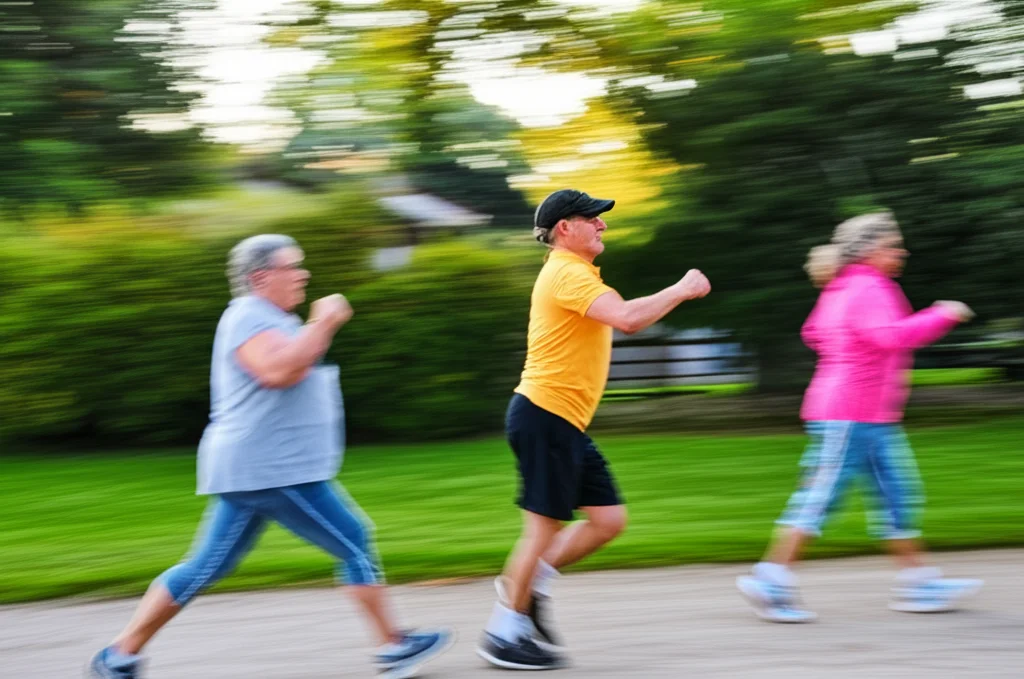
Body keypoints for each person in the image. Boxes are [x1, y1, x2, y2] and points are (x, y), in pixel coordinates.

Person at [88, 234, 452, 679]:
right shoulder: (246, 316)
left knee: (206, 566)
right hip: (271, 468)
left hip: (260, 467)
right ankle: (392, 645)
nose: (303, 274)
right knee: (353, 539)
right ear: (261, 277)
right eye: (293, 267)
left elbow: (291, 365)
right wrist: (324, 323)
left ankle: (119, 656)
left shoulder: (267, 319)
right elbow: (277, 371)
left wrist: (312, 328)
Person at [477, 190, 711, 669]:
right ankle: (503, 630)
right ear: (565, 228)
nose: (602, 225)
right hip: (545, 415)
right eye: (593, 219)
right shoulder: (566, 272)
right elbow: (626, 318)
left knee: (608, 520)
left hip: (562, 421)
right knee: (542, 530)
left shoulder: (575, 273)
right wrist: (682, 288)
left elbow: (619, 313)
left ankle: (529, 584)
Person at [737, 212, 983, 623]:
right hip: (849, 414)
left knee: (897, 493)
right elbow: (892, 336)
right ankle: (772, 579)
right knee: (821, 496)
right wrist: (943, 314)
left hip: (867, 413)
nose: (900, 251)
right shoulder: (869, 286)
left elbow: (814, 333)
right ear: (870, 251)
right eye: (892, 245)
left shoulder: (843, 286)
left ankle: (918, 583)